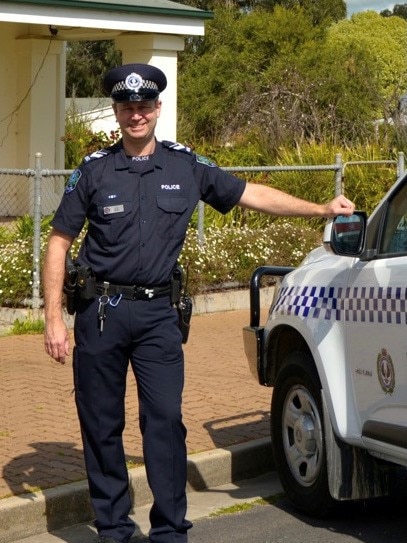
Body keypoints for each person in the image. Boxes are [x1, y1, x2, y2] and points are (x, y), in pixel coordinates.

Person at [43, 63, 355, 543]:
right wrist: (52, 321)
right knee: (101, 425)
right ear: (116, 111)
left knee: (165, 422)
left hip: (157, 317)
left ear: (157, 109)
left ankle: (169, 531)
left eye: (144, 106)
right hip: (100, 314)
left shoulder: (186, 165)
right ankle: (113, 528)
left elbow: (252, 193)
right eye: (127, 107)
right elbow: (60, 241)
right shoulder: (94, 170)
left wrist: (321, 208)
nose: (135, 114)